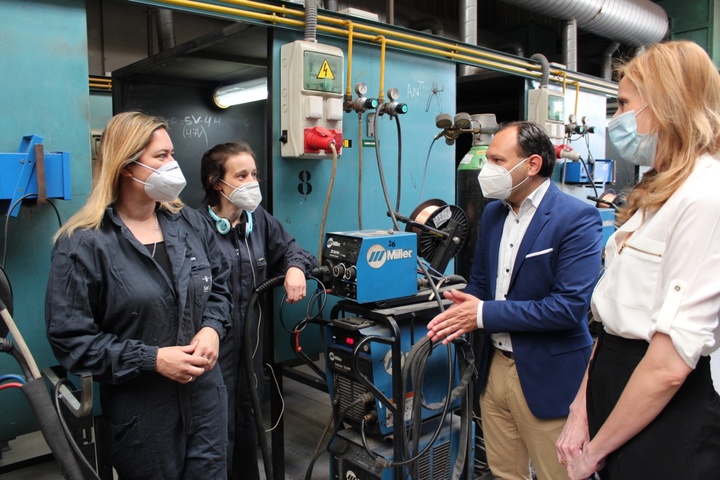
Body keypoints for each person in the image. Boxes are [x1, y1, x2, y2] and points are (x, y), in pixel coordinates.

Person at [555, 40, 720, 480]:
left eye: (624, 104)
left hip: (663, 409)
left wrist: (595, 452)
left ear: (666, 105)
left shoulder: (704, 196)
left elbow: (668, 365)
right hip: (617, 382)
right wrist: (580, 410)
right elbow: (614, 321)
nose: (616, 121)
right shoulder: (659, 190)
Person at [45, 111, 232, 479]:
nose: (173, 165)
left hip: (206, 401)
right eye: (161, 156)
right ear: (126, 166)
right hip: (144, 415)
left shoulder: (190, 223)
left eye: (172, 154)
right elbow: (72, 343)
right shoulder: (83, 244)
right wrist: (152, 359)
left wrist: (212, 328)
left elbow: (220, 287)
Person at [427, 120, 603, 480]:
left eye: (497, 160)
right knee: (505, 471)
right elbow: (480, 283)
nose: (486, 169)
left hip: (547, 374)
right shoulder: (494, 213)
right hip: (496, 370)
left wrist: (482, 314)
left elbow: (568, 308)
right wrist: (461, 308)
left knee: (561, 474)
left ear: (533, 165)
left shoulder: (576, 219)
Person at [198, 141, 317, 479]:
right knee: (215, 434)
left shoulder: (259, 221)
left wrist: (295, 267)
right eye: (241, 175)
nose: (252, 182)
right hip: (212, 354)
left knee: (248, 427)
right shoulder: (194, 227)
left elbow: (293, 248)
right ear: (215, 182)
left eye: (254, 174)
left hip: (250, 353)